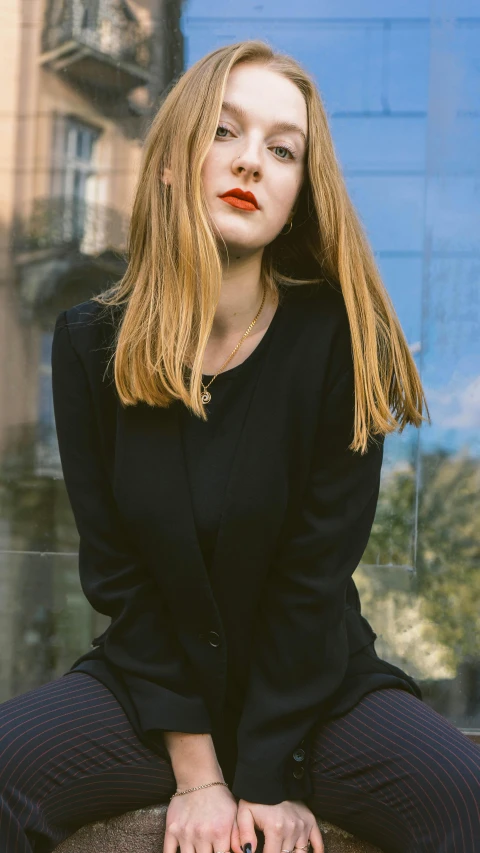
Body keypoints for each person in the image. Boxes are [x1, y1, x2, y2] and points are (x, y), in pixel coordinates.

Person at [0, 39, 478, 853]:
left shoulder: (336, 338)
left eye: (282, 149)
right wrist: (200, 772)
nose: (251, 162)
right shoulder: (88, 343)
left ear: (299, 193)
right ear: (170, 162)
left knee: (462, 801)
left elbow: (312, 576)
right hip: (150, 691)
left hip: (316, 692)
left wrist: (262, 775)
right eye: (224, 131)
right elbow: (119, 574)